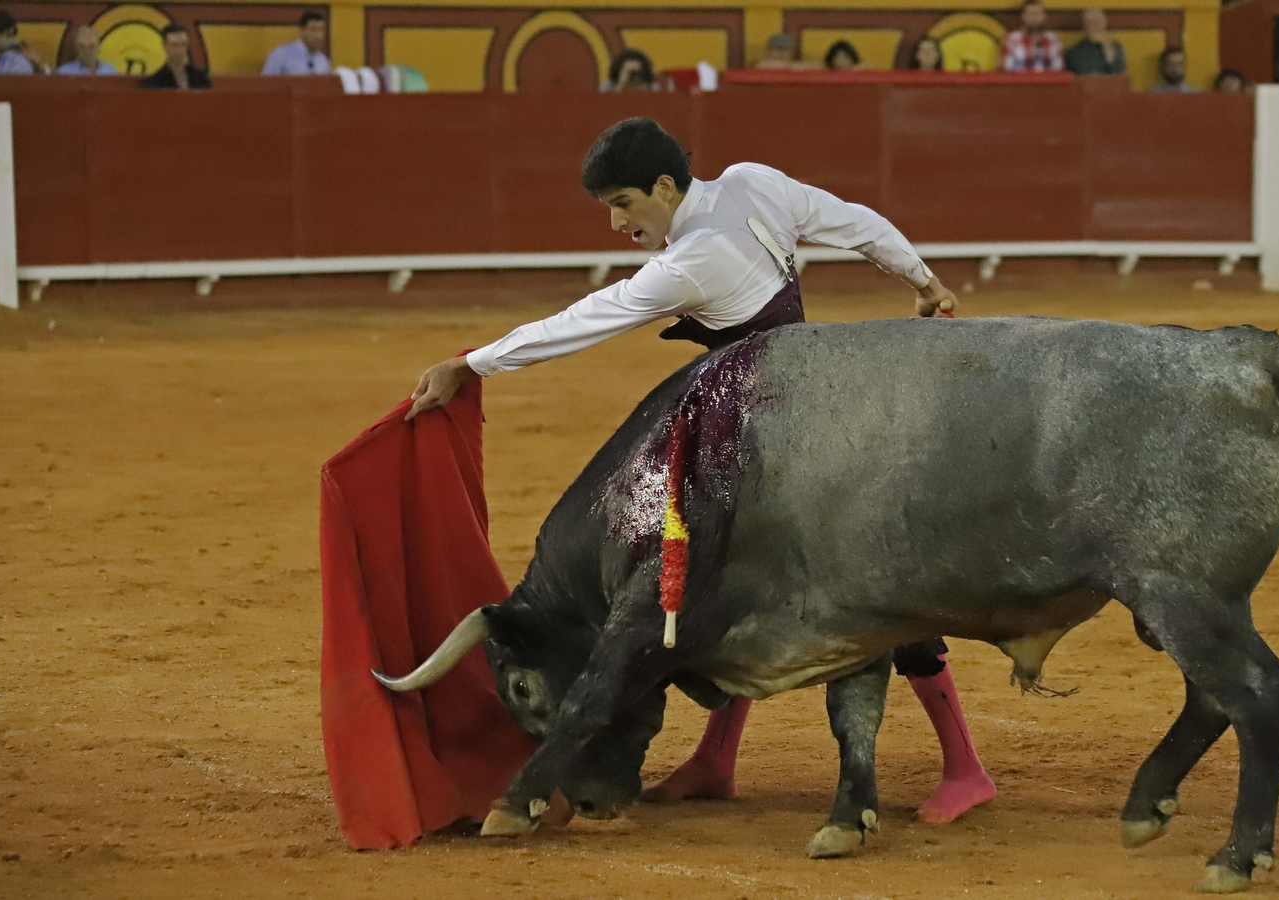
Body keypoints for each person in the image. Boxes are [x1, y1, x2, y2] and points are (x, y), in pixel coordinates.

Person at [406, 117, 996, 825]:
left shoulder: (691, 262)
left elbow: (589, 317)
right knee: (722, 578)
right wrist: (922, 280)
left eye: (625, 203)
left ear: (664, 185)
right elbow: (856, 222)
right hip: (783, 418)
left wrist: (471, 362)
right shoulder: (753, 182)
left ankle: (966, 767)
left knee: (863, 587)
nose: (619, 222)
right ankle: (717, 759)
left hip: (772, 440)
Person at [139, 24, 211, 89]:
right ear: (164, 46)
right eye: (174, 45)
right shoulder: (153, 82)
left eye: (183, 44)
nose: (179, 50)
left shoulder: (201, 78)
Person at [1000, 0, 1062, 73]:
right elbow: (1003, 69)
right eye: (1030, 14)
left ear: (1044, 16)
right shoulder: (1012, 40)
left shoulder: (1053, 40)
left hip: (1047, 83)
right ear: (1023, 16)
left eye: (1037, 14)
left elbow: (1059, 70)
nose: (1034, 18)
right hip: (1018, 83)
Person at [262, 11, 329, 76]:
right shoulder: (280, 54)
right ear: (301, 30)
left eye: (321, 30)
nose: (318, 35)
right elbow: (266, 84)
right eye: (313, 30)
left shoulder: (322, 60)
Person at [1063, 7, 1126, 76]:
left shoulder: (1116, 47)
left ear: (1105, 22)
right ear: (1085, 26)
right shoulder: (1074, 52)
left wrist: (1107, 49)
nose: (1096, 26)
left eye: (1098, 21)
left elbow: (1119, 75)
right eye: (1091, 22)